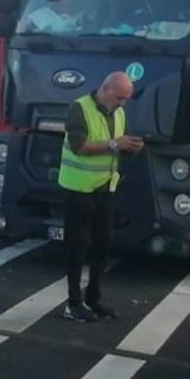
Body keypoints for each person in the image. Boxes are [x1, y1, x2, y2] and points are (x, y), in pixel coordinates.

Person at [56, 70, 142, 322]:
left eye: (126, 99)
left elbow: (115, 145)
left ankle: (93, 299)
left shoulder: (119, 112)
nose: (122, 103)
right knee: (77, 247)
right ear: (105, 89)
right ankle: (73, 303)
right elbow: (79, 146)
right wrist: (116, 144)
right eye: (119, 97)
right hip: (78, 189)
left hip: (106, 187)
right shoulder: (79, 108)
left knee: (102, 246)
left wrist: (130, 147)